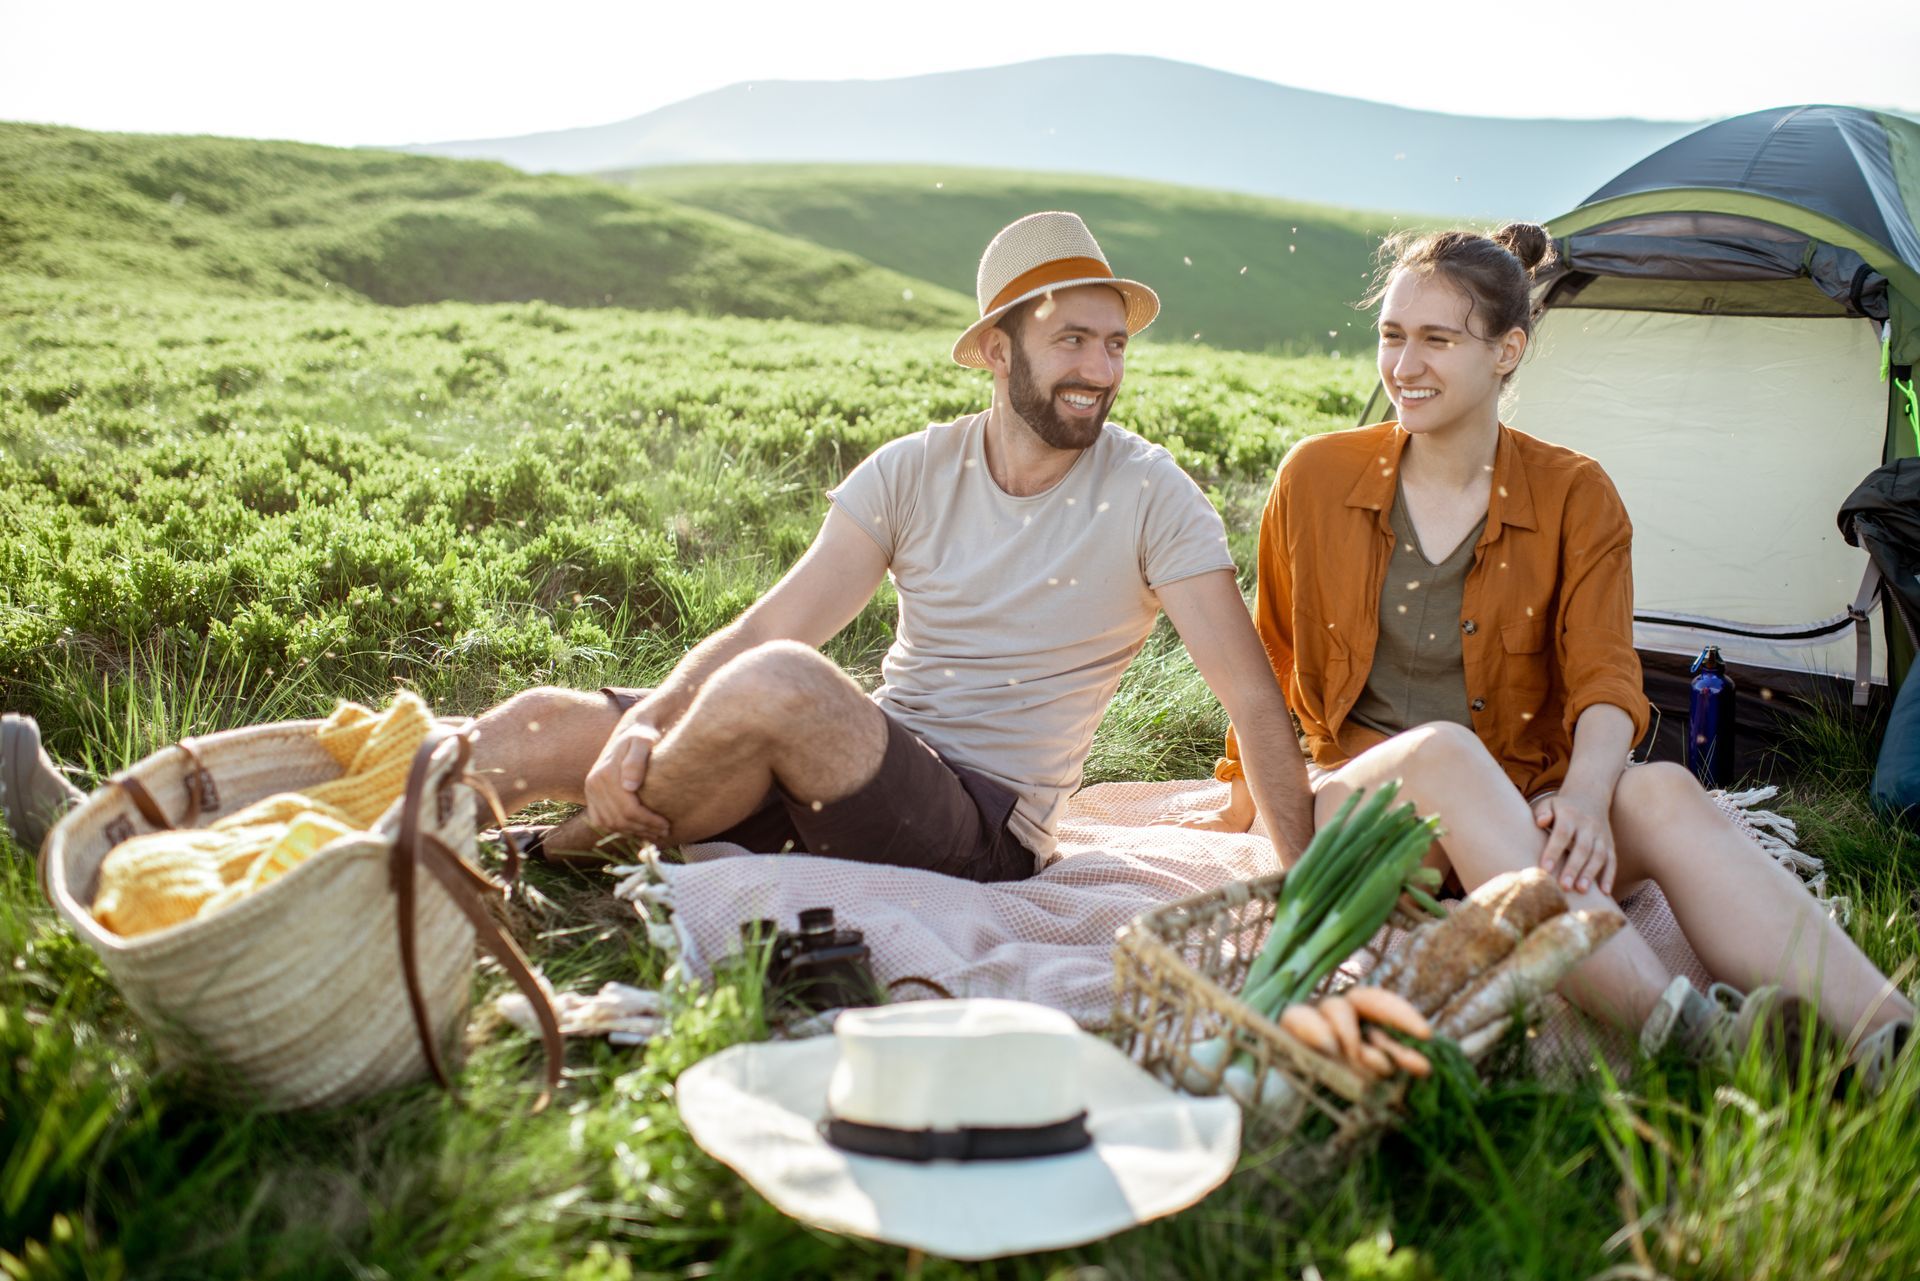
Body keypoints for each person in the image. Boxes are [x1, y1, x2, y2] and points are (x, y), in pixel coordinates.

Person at [1180, 223, 1912, 1083]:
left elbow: (1608, 675)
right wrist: (1241, 796)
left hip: (1520, 802)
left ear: (1507, 350)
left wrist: (1590, 797)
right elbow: (1269, 652)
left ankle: (1889, 1039)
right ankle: (1689, 1039)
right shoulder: (1316, 476)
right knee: (1448, 754)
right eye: (1392, 335)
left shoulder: (1576, 492)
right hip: (1372, 815)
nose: (1403, 365)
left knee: (1669, 789)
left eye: (1436, 339)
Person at [458, 210, 1318, 881]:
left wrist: (1301, 878)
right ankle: (371, 844)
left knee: (780, 686)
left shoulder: (1151, 493)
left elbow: (1250, 697)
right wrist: (642, 724)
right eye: (1072, 340)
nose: (1100, 369)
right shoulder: (914, 469)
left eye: (1114, 343)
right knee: (539, 722)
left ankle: (552, 856)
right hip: (864, 760)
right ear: (994, 349)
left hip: (982, 824)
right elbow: (766, 626)